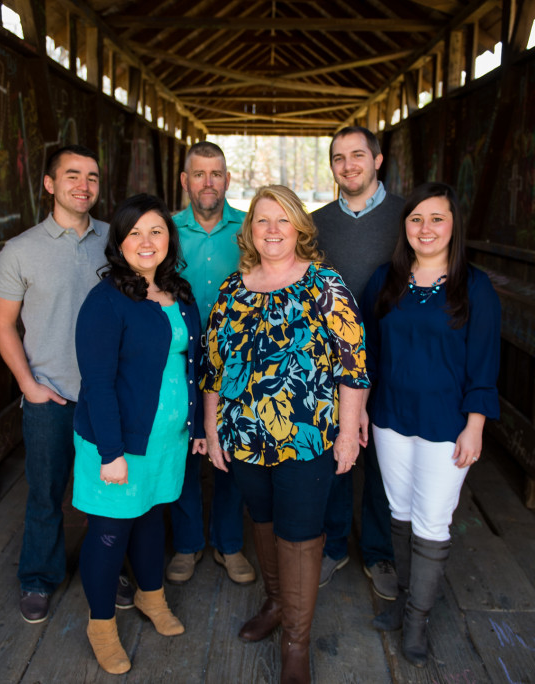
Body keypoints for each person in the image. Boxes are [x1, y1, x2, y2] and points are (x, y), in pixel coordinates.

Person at [202, 185, 369, 683]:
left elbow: (352, 365)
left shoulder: (325, 284)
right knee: (265, 520)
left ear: (299, 226)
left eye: (282, 220)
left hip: (307, 438)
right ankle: (275, 604)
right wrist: (212, 432)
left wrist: (345, 433)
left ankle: (297, 643)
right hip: (243, 436)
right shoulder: (233, 288)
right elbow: (213, 367)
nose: (272, 230)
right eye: (262, 221)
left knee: (300, 533)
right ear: (249, 230)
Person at [0, 144, 134, 624]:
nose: (84, 186)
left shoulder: (116, 242)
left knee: (107, 493)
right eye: (72, 175)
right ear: (50, 184)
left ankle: (108, 568)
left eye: (92, 177)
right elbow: (3, 324)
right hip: (50, 393)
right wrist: (28, 385)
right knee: (45, 492)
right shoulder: (21, 250)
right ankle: (38, 577)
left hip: (105, 396)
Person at [361, 182, 500, 667]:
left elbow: (484, 364)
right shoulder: (385, 280)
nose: (426, 228)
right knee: (399, 512)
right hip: (391, 418)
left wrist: (476, 425)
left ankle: (418, 621)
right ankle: (401, 602)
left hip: (448, 423)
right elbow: (368, 356)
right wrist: (359, 411)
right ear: (405, 227)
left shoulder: (474, 287)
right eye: (417, 219)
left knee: (433, 519)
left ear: (454, 225)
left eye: (437, 218)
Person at [72, 194, 205, 675]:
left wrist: (198, 427)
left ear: (170, 238)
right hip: (119, 443)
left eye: (157, 231)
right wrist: (111, 453)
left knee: (151, 520)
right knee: (110, 531)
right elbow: (98, 383)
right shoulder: (106, 301)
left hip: (164, 440)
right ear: (119, 242)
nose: (146, 242)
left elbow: (192, 367)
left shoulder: (178, 291)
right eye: (135, 233)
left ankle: (151, 598)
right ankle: (102, 625)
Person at [311, 126, 403, 599]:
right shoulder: (317, 223)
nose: (348, 165)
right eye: (338, 158)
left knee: (383, 457)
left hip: (393, 355)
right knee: (336, 452)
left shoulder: (407, 217)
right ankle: (332, 546)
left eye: (357, 155)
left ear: (378, 159)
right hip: (332, 362)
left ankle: (378, 550)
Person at [167, 142, 255, 586]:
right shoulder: (164, 229)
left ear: (227, 179)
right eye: (198, 174)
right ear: (185, 181)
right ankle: (187, 544)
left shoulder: (248, 229)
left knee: (232, 454)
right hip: (177, 359)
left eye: (216, 173)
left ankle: (229, 543)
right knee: (182, 449)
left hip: (234, 360)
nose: (208, 182)